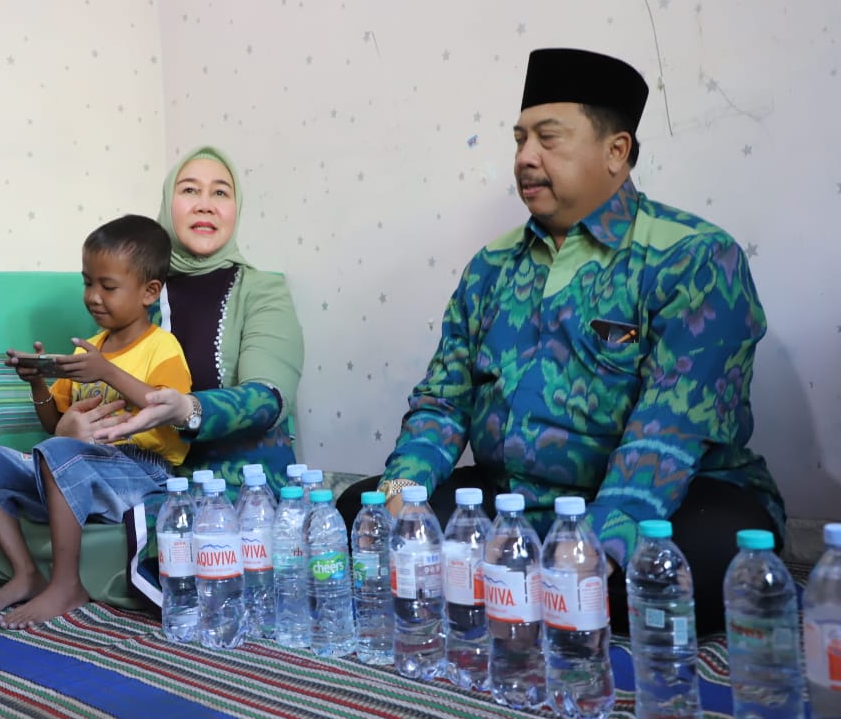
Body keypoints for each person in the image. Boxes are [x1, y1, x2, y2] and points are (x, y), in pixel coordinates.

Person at [338, 48, 783, 634]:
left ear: (616, 151)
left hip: (663, 500)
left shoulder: (694, 257)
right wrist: (404, 493)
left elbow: (668, 433)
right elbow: (443, 403)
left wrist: (592, 547)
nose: (526, 157)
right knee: (362, 512)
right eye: (520, 139)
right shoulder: (492, 265)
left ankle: (514, 586)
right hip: (513, 500)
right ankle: (529, 588)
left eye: (548, 138)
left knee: (702, 565)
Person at [94, 146, 305, 607]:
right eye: (190, 190)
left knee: (191, 553)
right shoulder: (136, 289)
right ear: (168, 202)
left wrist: (187, 409)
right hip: (146, 467)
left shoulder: (263, 290)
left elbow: (268, 399)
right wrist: (72, 422)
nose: (206, 204)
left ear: (236, 209)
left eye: (220, 193)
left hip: (237, 476)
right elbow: (103, 380)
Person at [0, 214, 193, 627]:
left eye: (108, 287)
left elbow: (166, 408)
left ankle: (67, 584)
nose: (93, 297)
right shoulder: (91, 350)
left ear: (149, 292)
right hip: (76, 467)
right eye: (88, 283)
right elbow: (55, 426)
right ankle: (25, 573)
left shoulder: (162, 347)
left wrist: (107, 372)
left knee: (59, 455)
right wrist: (38, 384)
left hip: (144, 472)